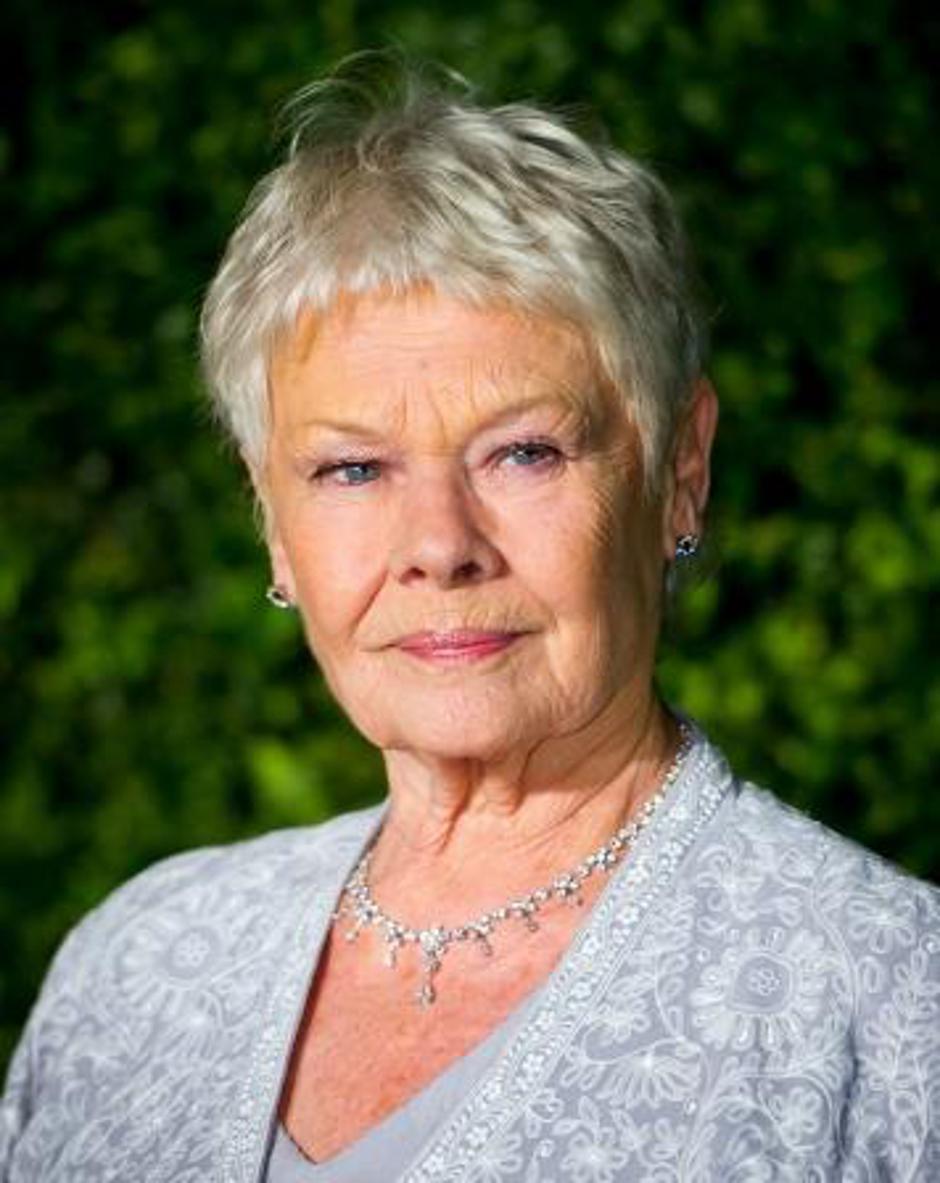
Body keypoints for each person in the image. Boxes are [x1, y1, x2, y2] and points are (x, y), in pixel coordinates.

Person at [2, 51, 937, 1183]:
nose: (440, 545)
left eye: (524, 451)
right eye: (351, 469)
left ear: (679, 470)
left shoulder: (891, 1007)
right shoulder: (138, 963)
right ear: (270, 522)